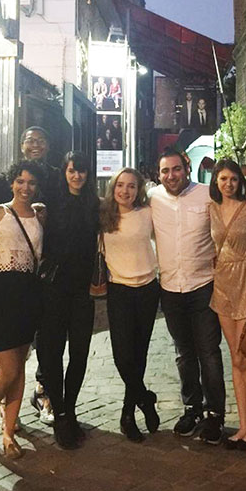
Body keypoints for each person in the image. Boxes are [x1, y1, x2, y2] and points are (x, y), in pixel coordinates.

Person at [0, 126, 60, 425]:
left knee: (41, 345)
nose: (35, 145)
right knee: (9, 363)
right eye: (30, 140)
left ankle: (42, 393)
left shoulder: (53, 178)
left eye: (41, 140)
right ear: (21, 145)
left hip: (39, 277)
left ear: (48, 145)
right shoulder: (3, 181)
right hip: (2, 286)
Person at [149, 148, 225, 444]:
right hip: (170, 289)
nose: (171, 176)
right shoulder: (153, 198)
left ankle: (215, 415)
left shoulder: (207, 194)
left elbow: (235, 209)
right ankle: (192, 408)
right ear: (159, 174)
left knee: (209, 353)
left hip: (203, 286)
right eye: (165, 171)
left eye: (176, 169)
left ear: (187, 168)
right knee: (184, 354)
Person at [0, 160, 46, 459]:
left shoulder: (41, 215)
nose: (25, 187)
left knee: (19, 368)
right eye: (20, 181)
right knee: (7, 370)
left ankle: (8, 433)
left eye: (31, 182)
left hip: (28, 295)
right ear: (11, 183)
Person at [36, 152, 100, 450]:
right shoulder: (49, 204)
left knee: (79, 353)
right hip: (52, 289)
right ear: (64, 172)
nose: (77, 176)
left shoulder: (94, 206)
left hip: (82, 291)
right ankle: (59, 411)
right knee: (51, 353)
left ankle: (70, 408)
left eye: (82, 172)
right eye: (72, 171)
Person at [101, 168, 160, 443]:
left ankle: (127, 415)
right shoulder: (102, 216)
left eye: (132, 186)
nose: (125, 191)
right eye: (121, 185)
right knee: (122, 356)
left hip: (147, 289)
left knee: (139, 354)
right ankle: (145, 399)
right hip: (119, 290)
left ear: (139, 190)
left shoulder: (148, 213)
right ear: (113, 187)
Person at [208, 159, 246, 449]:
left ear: (240, 181)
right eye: (223, 179)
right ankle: (243, 425)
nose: (228, 184)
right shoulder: (211, 208)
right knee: (235, 358)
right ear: (215, 180)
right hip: (223, 284)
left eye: (233, 179)